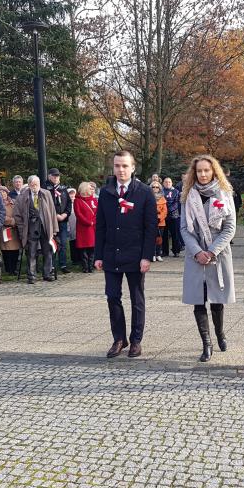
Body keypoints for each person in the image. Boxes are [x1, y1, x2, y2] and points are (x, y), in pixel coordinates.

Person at [94, 150, 157, 359]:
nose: (121, 170)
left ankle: (136, 340)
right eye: (117, 166)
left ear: (133, 168)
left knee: (137, 298)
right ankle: (119, 339)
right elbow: (100, 225)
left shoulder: (144, 192)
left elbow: (151, 227)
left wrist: (147, 256)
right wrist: (98, 255)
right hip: (111, 253)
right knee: (112, 296)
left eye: (124, 166)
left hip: (136, 254)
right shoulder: (106, 192)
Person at [179, 154, 236, 362]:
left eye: (206, 170)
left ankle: (220, 333)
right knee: (198, 300)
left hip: (218, 254)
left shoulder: (225, 194)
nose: (203, 174)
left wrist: (211, 251)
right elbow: (184, 229)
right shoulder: (187, 196)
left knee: (217, 299)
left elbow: (230, 228)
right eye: (199, 171)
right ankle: (207, 343)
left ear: (214, 171)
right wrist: (197, 252)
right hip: (195, 256)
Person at [14, 175, 58, 284]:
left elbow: (52, 212)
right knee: (31, 252)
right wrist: (21, 228)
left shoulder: (46, 194)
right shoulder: (22, 197)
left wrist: (54, 228)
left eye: (37, 184)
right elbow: (17, 215)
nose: (35, 187)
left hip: (45, 226)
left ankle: (47, 274)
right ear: (28, 185)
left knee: (47, 251)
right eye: (33, 185)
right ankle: (31, 275)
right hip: (30, 227)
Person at [45, 167, 71, 275]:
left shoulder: (63, 189)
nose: (56, 178)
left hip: (63, 221)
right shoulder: (45, 188)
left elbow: (69, 204)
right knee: (52, 244)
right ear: (49, 176)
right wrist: (55, 215)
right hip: (51, 221)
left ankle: (63, 264)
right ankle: (51, 265)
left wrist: (65, 214)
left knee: (63, 243)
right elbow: (45, 205)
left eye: (58, 176)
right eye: (54, 176)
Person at [0, 185, 21, 275]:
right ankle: (8, 269)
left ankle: (14, 269)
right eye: (0, 192)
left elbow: (19, 212)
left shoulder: (14, 202)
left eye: (4, 192)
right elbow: (0, 216)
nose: (2, 194)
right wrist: (12, 221)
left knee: (15, 250)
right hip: (4, 230)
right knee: (6, 250)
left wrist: (16, 221)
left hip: (15, 230)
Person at [74, 181, 97, 273]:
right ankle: (85, 267)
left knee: (92, 247)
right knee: (83, 248)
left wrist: (93, 222)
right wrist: (88, 222)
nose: (91, 189)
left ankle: (90, 266)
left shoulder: (94, 200)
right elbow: (78, 214)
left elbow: (97, 213)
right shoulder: (77, 200)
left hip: (92, 227)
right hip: (83, 227)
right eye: (89, 187)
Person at [161, 177, 181, 257]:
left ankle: (176, 251)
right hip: (163, 217)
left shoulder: (176, 192)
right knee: (164, 235)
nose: (168, 183)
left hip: (174, 216)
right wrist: (164, 211)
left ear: (172, 183)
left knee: (175, 234)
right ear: (163, 183)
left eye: (169, 182)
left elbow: (176, 203)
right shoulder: (161, 192)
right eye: (166, 182)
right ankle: (165, 252)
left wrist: (168, 210)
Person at [151, 180, 167, 262]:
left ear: (159, 188)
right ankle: (152, 254)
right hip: (151, 222)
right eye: (153, 187)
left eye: (157, 187)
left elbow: (165, 211)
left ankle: (158, 254)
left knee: (159, 239)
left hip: (160, 222)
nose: (155, 188)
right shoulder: (149, 197)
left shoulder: (162, 198)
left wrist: (159, 218)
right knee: (151, 239)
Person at [67, 187, 79, 265]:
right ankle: (74, 259)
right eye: (70, 194)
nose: (72, 195)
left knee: (78, 240)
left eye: (73, 193)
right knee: (72, 241)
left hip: (77, 222)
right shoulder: (67, 203)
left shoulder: (77, 202)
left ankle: (79, 258)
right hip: (70, 223)